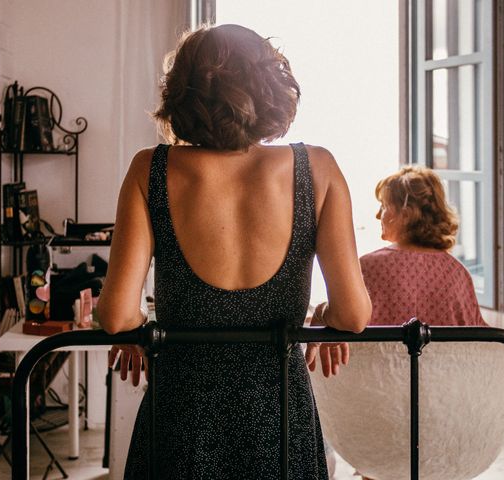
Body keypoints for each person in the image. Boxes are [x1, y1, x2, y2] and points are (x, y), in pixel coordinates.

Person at [97, 24, 371, 479]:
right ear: (271, 86)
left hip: (183, 409)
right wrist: (324, 314)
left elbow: (116, 315)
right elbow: (354, 315)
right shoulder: (316, 168)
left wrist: (137, 332)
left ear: (180, 92)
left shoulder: (152, 169)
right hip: (278, 411)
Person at [360, 165, 486, 326]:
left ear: (406, 215)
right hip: (445, 353)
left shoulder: (367, 267)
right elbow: (476, 335)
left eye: (384, 207)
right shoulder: (458, 272)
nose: (378, 216)